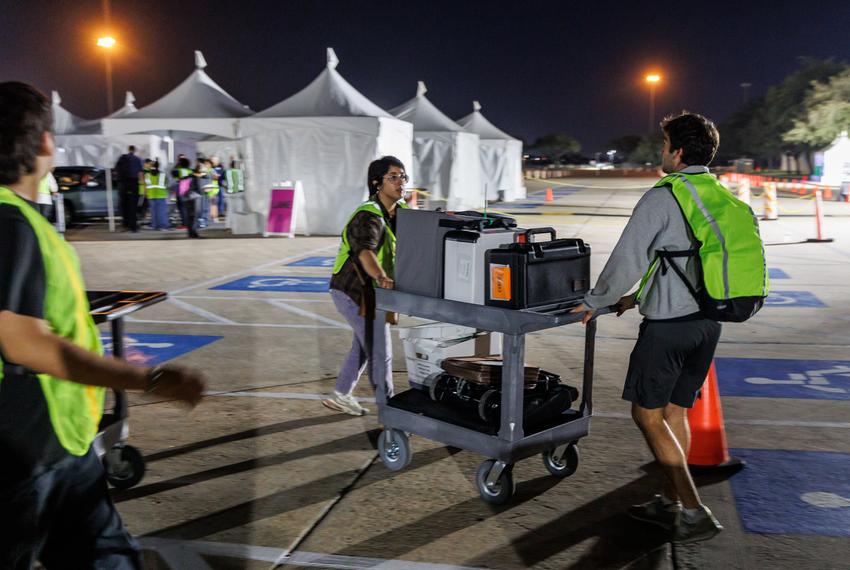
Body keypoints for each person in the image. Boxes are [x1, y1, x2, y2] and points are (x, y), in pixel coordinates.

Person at [0, 82, 207, 568]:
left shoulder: (20, 220)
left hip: (56, 444)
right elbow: (23, 342)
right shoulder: (10, 224)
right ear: (46, 143)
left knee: (109, 557)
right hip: (24, 451)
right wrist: (148, 379)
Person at [571, 112, 726, 544]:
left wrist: (594, 302)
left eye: (664, 145)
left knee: (645, 414)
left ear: (677, 151)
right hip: (707, 325)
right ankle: (670, 500)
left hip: (670, 329)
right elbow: (687, 262)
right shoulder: (716, 194)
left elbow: (628, 258)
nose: (662, 153)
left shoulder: (665, 196)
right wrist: (636, 298)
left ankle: (693, 510)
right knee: (674, 413)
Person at [323, 156, 409, 415]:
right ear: (376, 183)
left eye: (403, 176)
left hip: (373, 292)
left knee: (364, 345)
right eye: (393, 177)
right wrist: (382, 276)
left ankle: (341, 393)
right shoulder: (368, 216)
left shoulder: (399, 211)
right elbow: (365, 252)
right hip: (353, 291)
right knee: (379, 351)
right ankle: (390, 412)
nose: (400, 182)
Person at [114, 145, 143, 232]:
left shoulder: (122, 158)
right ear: (134, 150)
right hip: (134, 183)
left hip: (123, 184)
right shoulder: (137, 159)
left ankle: (126, 224)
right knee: (133, 206)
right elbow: (140, 173)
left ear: (128, 149)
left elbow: (116, 170)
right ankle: (133, 227)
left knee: (124, 205)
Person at [144, 159, 169, 230]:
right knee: (162, 212)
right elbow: (166, 183)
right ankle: (163, 226)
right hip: (161, 195)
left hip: (151, 195)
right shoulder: (163, 174)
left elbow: (146, 185)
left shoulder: (147, 175)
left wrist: (146, 194)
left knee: (153, 212)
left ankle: (154, 225)